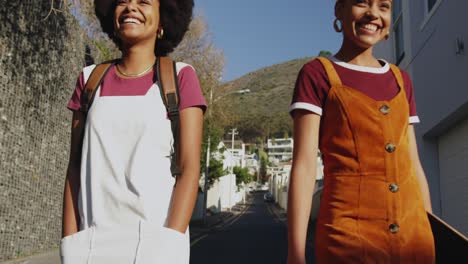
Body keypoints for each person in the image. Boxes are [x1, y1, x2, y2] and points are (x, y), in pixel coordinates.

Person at [287, 0, 435, 263]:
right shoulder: (316, 74)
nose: (373, 14)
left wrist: (432, 233)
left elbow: (413, 163)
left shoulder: (402, 80)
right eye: (361, 3)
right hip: (347, 242)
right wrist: (295, 253)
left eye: (384, 6)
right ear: (339, 10)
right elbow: (305, 166)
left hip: (414, 241)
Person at [61, 0, 205, 263]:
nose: (130, 8)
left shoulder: (181, 77)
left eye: (144, 2)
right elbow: (74, 168)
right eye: (122, 1)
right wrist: (69, 244)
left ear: (163, 20)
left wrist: (169, 242)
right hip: (90, 246)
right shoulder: (89, 80)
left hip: (155, 246)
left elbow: (188, 169)